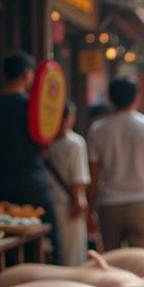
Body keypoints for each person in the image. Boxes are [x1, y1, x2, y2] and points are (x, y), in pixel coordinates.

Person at [0, 51, 61, 262]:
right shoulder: (33, 107)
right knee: (51, 237)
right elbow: (45, 146)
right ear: (26, 74)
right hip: (32, 184)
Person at [86, 76, 144, 251]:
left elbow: (93, 175)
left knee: (113, 259)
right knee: (143, 258)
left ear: (109, 99)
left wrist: (90, 206)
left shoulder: (98, 129)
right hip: (141, 202)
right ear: (136, 98)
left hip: (109, 205)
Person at [45, 102, 90, 266]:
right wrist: (78, 199)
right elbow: (79, 177)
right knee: (73, 254)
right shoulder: (75, 143)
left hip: (51, 204)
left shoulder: (45, 144)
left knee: (57, 251)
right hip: (69, 205)